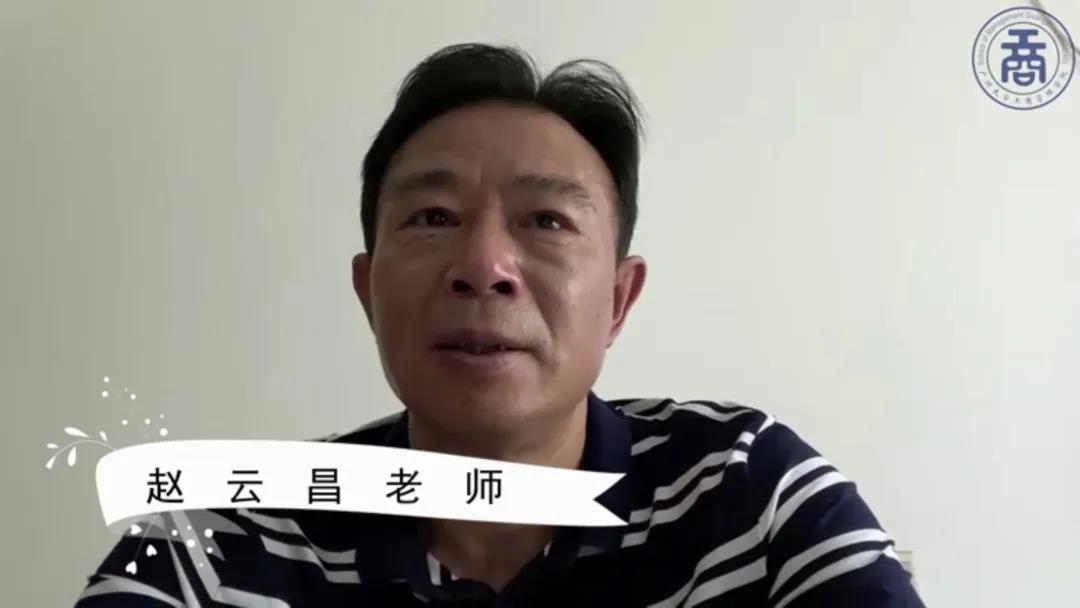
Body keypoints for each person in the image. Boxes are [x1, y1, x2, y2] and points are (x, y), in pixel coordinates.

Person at [75, 43, 924, 607]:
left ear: (618, 300)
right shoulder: (216, 543)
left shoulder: (749, 492)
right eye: (433, 217)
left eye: (546, 221)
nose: (483, 264)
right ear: (368, 293)